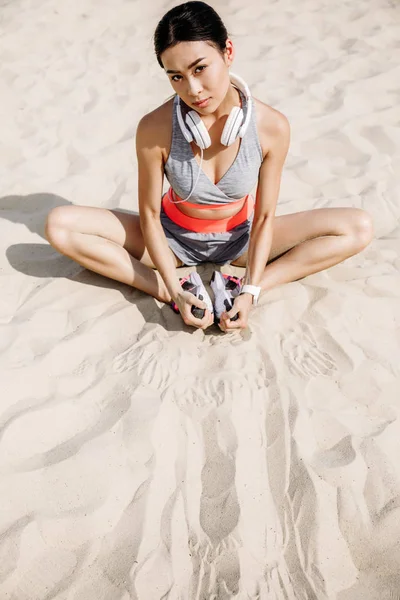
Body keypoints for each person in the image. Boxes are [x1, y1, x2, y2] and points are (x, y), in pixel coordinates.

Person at [45, 1, 373, 333]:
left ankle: (241, 287)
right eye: (176, 77)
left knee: (357, 227)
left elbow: (264, 218)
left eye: (200, 68)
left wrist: (250, 290)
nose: (193, 89)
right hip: (173, 239)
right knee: (59, 224)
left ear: (227, 51)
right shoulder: (154, 127)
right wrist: (173, 290)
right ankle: (168, 288)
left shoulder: (272, 126)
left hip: (241, 240)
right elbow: (148, 215)